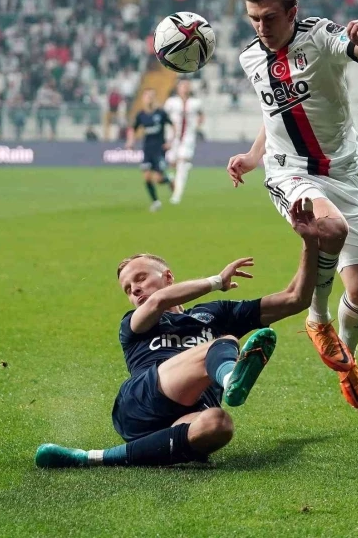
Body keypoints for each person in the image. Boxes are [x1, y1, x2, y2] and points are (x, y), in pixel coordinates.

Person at [35, 198, 318, 468]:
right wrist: (216, 281)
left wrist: (311, 243)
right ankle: (231, 378)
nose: (135, 289)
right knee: (222, 343)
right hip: (141, 402)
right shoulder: (133, 323)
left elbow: (295, 299)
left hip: (188, 409)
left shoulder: (215, 313)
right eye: (128, 289)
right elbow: (159, 301)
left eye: (141, 278)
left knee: (218, 425)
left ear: (168, 277)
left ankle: (92, 457)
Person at [226, 0, 358, 409]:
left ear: (292, 13)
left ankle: (348, 358)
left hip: (342, 173)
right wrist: (253, 157)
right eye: (253, 18)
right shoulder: (250, 58)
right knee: (330, 227)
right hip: (290, 171)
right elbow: (272, 116)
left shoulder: (320, 36)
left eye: (269, 17)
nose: (261, 27)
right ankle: (317, 318)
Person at [126, 88, 175, 212]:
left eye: (151, 96)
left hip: (159, 150)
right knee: (147, 177)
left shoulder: (161, 113)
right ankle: (155, 202)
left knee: (158, 179)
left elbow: (173, 125)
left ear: (154, 98)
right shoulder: (141, 115)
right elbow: (132, 129)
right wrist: (131, 141)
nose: (149, 99)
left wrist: (170, 142)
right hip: (147, 150)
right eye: (147, 96)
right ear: (143, 99)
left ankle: (169, 179)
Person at [163, 79, 205, 204]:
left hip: (188, 137)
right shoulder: (171, 102)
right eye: (183, 86)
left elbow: (201, 115)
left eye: (187, 86)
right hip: (173, 137)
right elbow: (164, 117)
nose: (185, 88)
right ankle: (171, 179)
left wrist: (197, 126)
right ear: (178, 88)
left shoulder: (196, 102)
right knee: (171, 162)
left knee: (182, 163)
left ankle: (177, 194)